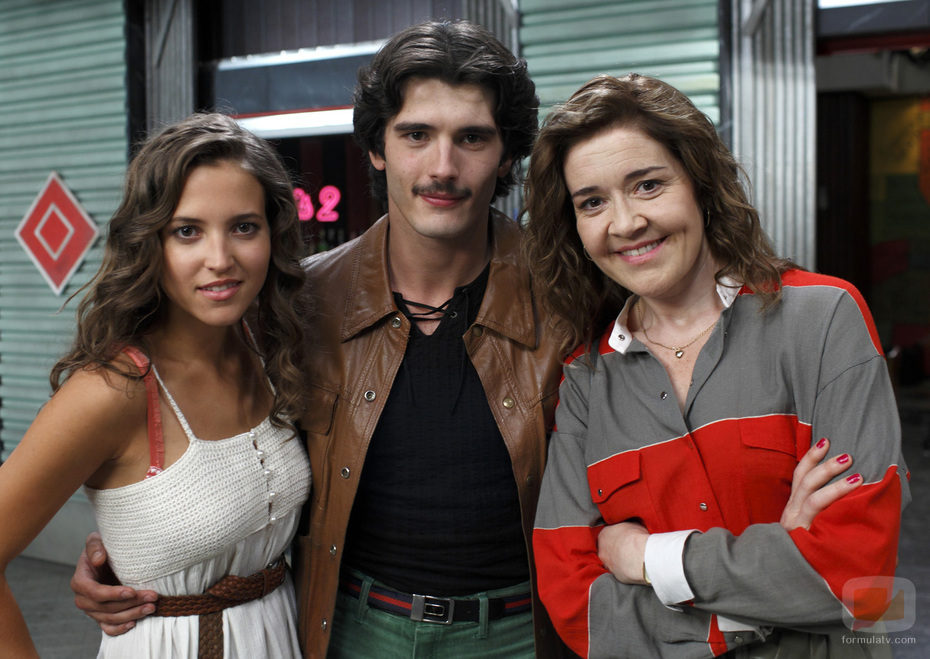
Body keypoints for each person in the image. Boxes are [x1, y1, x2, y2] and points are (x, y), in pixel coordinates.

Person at [70, 20, 569, 659]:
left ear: (505, 154)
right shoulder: (295, 305)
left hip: (527, 632)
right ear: (377, 148)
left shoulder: (571, 297)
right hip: (346, 630)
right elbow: (214, 445)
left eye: (472, 137)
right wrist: (133, 548)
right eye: (416, 135)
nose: (442, 167)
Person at [524, 74, 910, 658]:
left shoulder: (823, 318)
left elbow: (859, 574)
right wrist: (755, 599)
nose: (624, 223)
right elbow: (574, 602)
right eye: (592, 202)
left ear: (702, 185)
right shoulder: (585, 380)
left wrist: (648, 558)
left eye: (648, 185)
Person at [0, 113, 311, 658]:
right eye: (187, 231)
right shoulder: (112, 390)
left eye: (244, 227)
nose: (220, 260)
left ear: (273, 233)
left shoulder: (270, 349)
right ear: (149, 242)